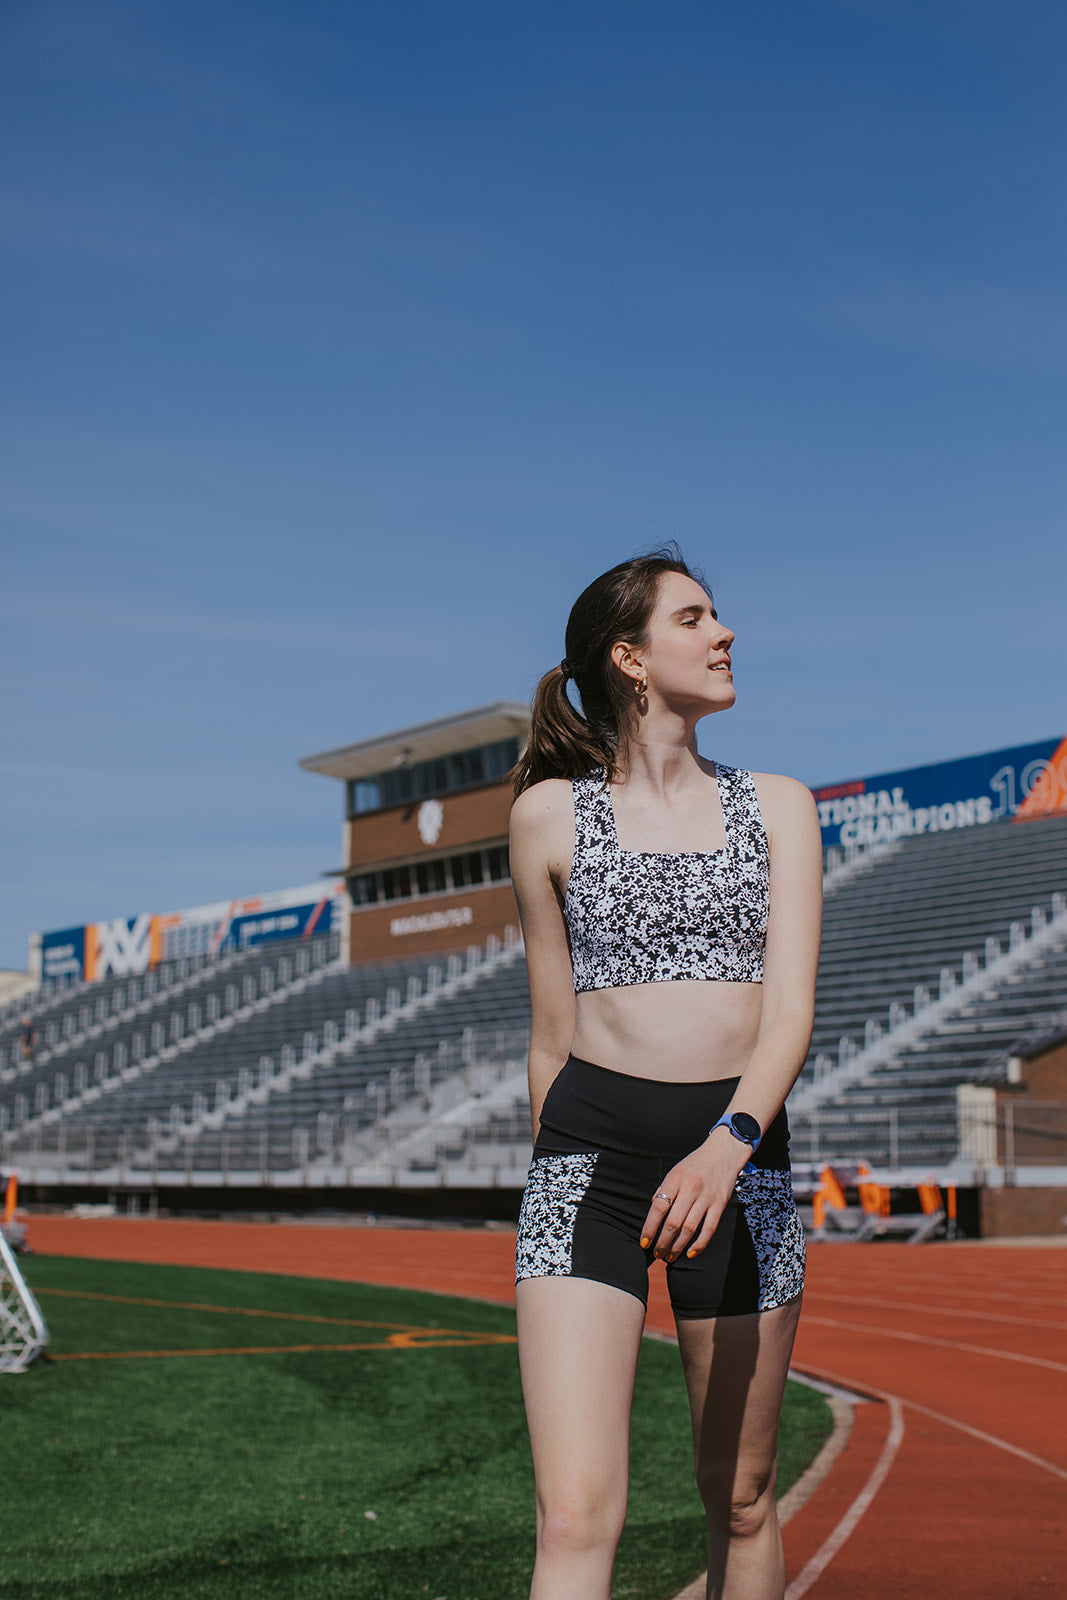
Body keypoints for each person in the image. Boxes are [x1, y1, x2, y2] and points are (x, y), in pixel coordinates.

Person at [509, 548, 823, 1600]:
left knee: (737, 1495)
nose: (723, 631)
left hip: (737, 1162)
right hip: (586, 1160)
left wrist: (725, 1146)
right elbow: (549, 1032)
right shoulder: (545, 815)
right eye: (694, 618)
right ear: (629, 658)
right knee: (572, 1511)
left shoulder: (778, 805)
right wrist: (557, 1161)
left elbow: (788, 1013)